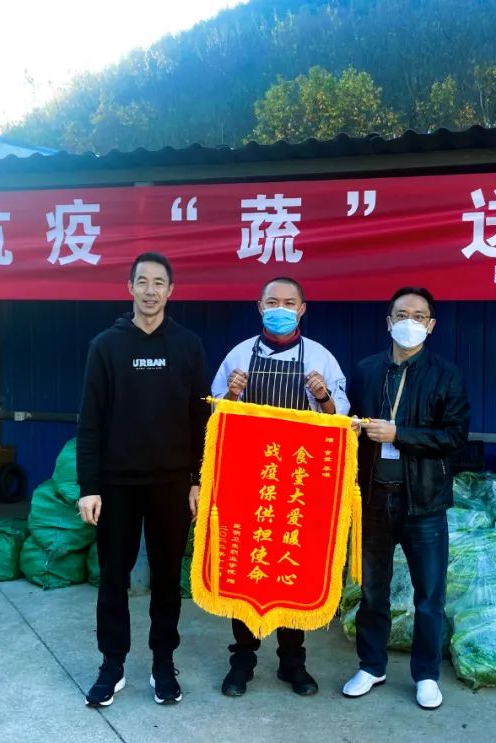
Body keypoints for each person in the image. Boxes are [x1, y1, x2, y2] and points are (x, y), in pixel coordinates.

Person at [76, 252, 210, 707]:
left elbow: (200, 420)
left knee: (168, 579)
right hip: (116, 485)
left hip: (171, 485)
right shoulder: (105, 345)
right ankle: (111, 665)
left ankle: (163, 664)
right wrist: (89, 487)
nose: (150, 290)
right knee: (113, 577)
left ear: (171, 290)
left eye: (159, 283)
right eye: (143, 281)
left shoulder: (188, 345)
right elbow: (90, 421)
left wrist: (197, 479)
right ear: (129, 287)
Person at [211, 277, 349, 697]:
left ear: (302, 309)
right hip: (248, 480)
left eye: (290, 303)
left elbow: (341, 420)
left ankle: (293, 662)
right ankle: (242, 662)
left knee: (291, 569)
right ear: (259, 306)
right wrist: (232, 395)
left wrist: (322, 397)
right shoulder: (238, 355)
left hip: (297, 484)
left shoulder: (321, 358)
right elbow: (216, 419)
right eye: (273, 302)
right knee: (246, 572)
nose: (281, 309)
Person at [341, 286, 469, 710]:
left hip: (424, 503)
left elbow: (455, 437)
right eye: (401, 314)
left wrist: (400, 434)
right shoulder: (366, 371)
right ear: (388, 322)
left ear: (431, 325)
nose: (409, 322)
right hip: (374, 498)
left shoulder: (446, 375)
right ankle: (371, 666)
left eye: (418, 316)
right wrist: (352, 428)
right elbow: (347, 423)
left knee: (429, 596)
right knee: (372, 591)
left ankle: (426, 675)